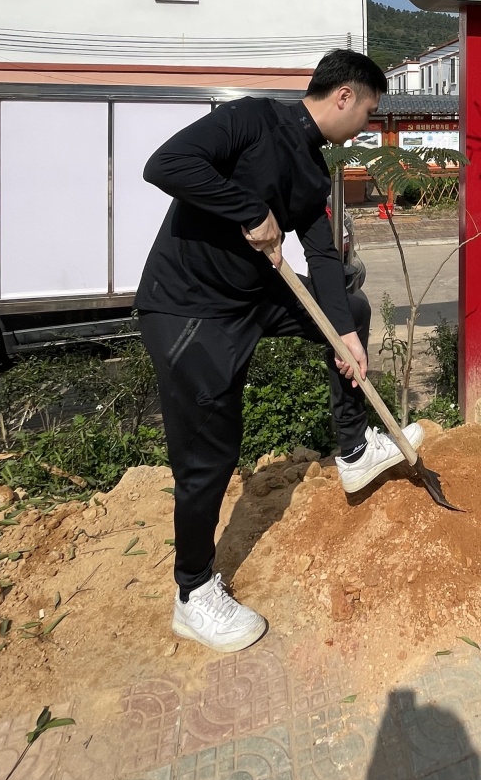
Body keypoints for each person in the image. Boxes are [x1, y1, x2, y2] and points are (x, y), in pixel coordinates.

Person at [136, 48, 424, 654]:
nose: (367, 125)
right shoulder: (249, 121)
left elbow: (321, 257)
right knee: (210, 457)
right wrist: (250, 210)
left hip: (252, 296)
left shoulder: (315, 174)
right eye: (369, 112)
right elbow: (164, 163)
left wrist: (345, 337)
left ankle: (352, 450)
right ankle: (193, 593)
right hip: (190, 307)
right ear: (344, 96)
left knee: (352, 311)